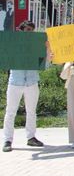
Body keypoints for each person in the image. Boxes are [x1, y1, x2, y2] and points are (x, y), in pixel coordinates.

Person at [2, 21, 50, 152]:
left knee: (31, 112)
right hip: (15, 82)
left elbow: (44, 64)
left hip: (31, 82)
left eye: (32, 30)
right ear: (21, 30)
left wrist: (46, 49)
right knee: (10, 112)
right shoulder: (14, 44)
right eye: (27, 29)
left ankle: (31, 137)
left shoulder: (36, 46)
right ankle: (7, 140)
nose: (30, 32)